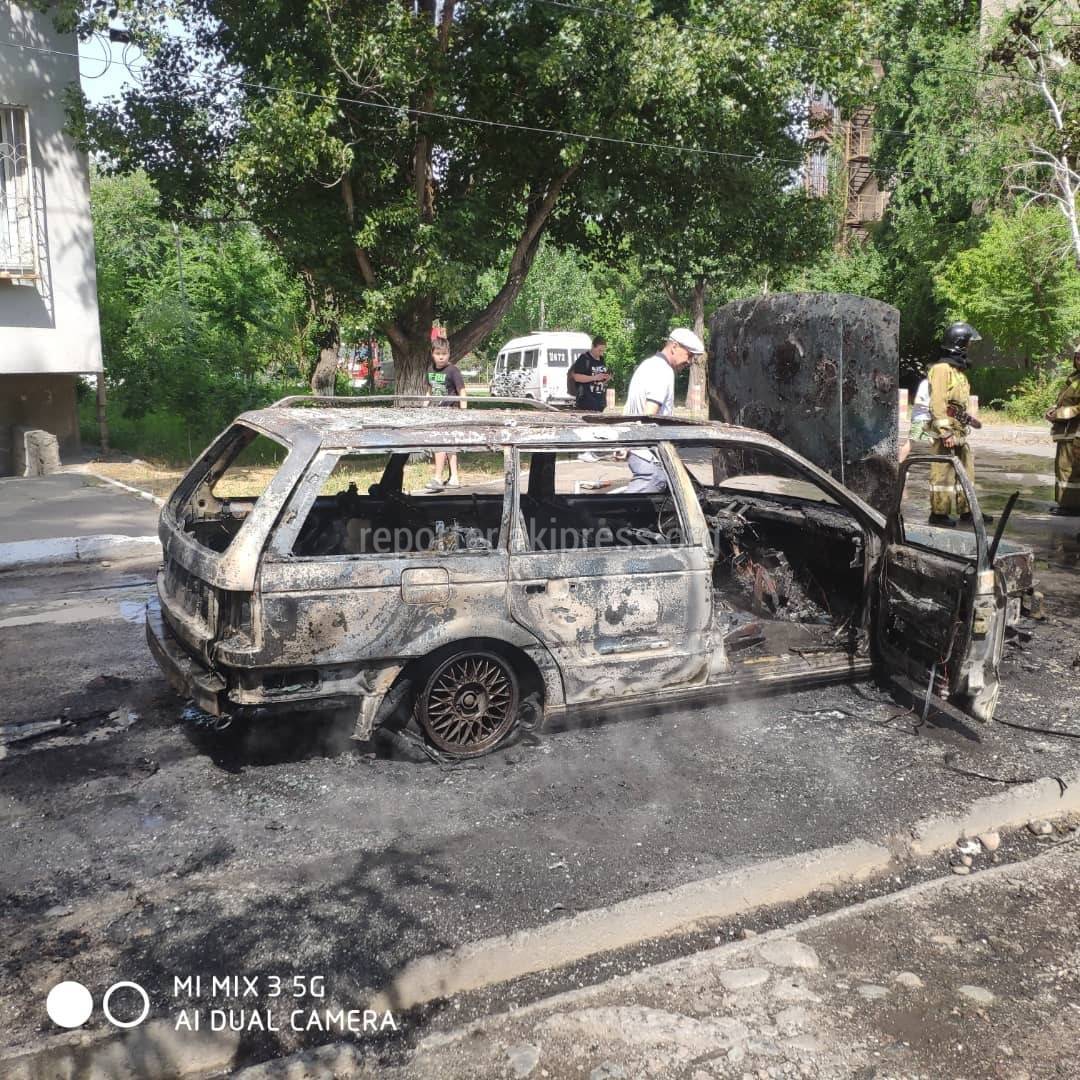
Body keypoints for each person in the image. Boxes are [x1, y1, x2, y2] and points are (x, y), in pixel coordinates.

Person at [620, 328, 705, 493]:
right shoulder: (663, 372)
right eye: (689, 355)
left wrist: (624, 444)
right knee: (637, 507)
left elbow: (629, 410)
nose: (689, 361)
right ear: (674, 346)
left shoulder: (648, 365)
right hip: (649, 457)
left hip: (639, 452)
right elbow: (649, 415)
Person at [927, 321, 991, 527]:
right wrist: (944, 432)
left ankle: (968, 511)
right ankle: (939, 513)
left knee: (966, 471)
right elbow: (938, 402)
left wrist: (967, 420)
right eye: (968, 343)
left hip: (959, 429)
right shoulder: (941, 369)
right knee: (943, 473)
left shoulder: (958, 372)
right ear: (959, 343)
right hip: (946, 431)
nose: (970, 347)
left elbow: (957, 404)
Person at [425, 337, 466, 491]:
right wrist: (424, 407)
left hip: (451, 413)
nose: (441, 356)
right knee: (449, 445)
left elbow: (462, 391)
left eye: (444, 353)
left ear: (449, 354)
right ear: (432, 354)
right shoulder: (430, 370)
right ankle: (454, 477)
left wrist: (463, 412)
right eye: (438, 353)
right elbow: (428, 391)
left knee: (442, 443)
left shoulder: (453, 370)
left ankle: (437, 477)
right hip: (436, 413)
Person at [1045, 342, 1080, 516]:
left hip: (1076, 433)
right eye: (1077, 357)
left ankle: (1072, 506)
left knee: (1070, 470)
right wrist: (1053, 410)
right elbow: (1064, 399)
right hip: (1067, 432)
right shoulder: (1074, 377)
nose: (1079, 360)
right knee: (1062, 467)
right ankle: (1064, 503)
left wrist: (1061, 413)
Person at [570, 337, 610, 411]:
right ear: (592, 346)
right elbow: (576, 377)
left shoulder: (602, 359)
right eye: (599, 350)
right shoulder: (584, 358)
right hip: (586, 403)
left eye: (603, 351)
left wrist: (606, 378)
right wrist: (594, 377)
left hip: (600, 402)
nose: (601, 353)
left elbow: (600, 378)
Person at [899, 374, 933, 463]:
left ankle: (945, 462)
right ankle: (898, 464)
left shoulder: (933, 384)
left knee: (934, 441)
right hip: (920, 419)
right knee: (911, 442)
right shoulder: (925, 384)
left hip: (928, 418)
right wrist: (930, 406)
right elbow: (917, 401)